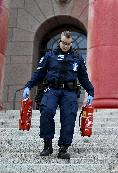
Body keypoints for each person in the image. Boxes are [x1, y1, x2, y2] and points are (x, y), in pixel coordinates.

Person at [22, 31, 94, 159]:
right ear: (60, 42)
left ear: (71, 43)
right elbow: (39, 73)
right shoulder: (50, 56)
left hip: (69, 92)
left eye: (68, 44)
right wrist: (28, 85)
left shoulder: (77, 58)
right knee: (47, 111)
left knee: (68, 118)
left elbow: (83, 77)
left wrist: (90, 91)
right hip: (52, 90)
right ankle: (47, 145)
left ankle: (63, 148)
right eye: (63, 43)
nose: (65, 46)